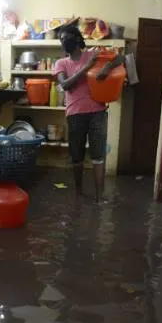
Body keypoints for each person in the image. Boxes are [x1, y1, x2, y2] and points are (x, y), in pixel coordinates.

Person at [53, 24, 123, 203]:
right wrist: (87, 68)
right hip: (75, 114)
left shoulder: (92, 55)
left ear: (77, 39)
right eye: (60, 39)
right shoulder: (61, 63)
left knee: (98, 156)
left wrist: (106, 68)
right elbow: (66, 85)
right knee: (77, 157)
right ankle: (79, 194)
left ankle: (100, 198)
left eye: (65, 38)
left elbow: (121, 58)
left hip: (98, 112)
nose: (63, 42)